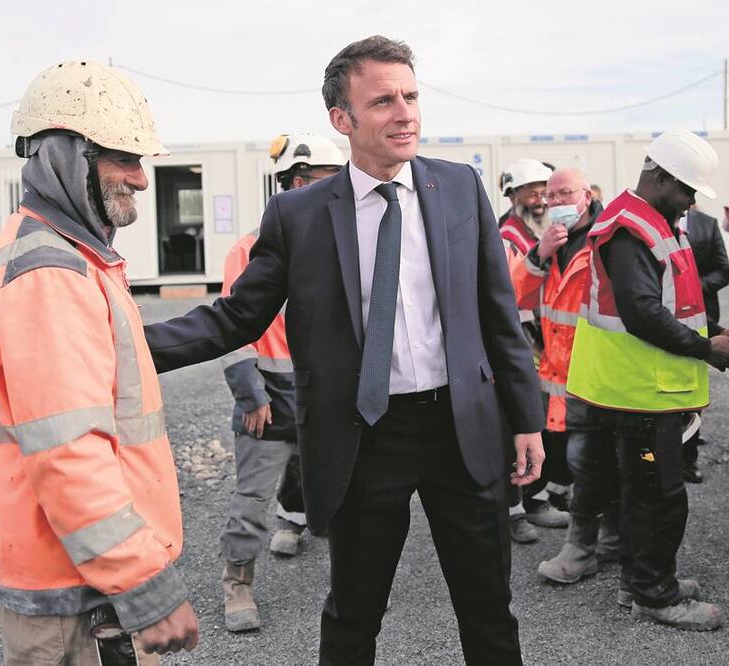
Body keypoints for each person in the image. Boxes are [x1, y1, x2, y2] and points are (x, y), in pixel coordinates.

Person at [145, 35, 545, 665]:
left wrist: (526, 417)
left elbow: (499, 315)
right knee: (354, 616)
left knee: (489, 611)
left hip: (461, 429)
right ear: (342, 119)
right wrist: (123, 345)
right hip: (365, 437)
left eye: (411, 96)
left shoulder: (460, 189)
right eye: (384, 100)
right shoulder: (299, 214)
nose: (405, 112)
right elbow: (237, 316)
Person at [0, 60, 199, 664]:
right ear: (64, 156)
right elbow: (70, 452)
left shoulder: (67, 256)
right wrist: (144, 585)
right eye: (123, 157)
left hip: (80, 577)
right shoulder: (49, 274)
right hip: (79, 597)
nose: (141, 179)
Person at [567, 129, 729, 631]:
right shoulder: (631, 229)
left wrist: (713, 333)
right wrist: (705, 348)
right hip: (640, 389)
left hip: (647, 387)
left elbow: (671, 304)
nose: (691, 201)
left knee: (643, 494)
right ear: (661, 177)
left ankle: (641, 581)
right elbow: (642, 311)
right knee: (659, 498)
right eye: (687, 190)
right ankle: (654, 594)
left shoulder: (650, 220)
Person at [217, 132, 343, 632]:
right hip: (267, 400)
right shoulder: (249, 248)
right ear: (291, 185)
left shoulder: (344, 248)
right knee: (250, 501)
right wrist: (250, 394)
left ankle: (348, 581)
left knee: (340, 496)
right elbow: (231, 329)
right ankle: (237, 586)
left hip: (328, 399)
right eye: (320, 184)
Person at [508, 167, 620, 584]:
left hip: (599, 377)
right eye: (550, 196)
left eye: (563, 194)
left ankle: (588, 546)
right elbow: (514, 293)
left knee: (595, 465)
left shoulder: (607, 239)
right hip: (563, 380)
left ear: (586, 196)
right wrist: (538, 255)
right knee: (588, 464)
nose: (555, 203)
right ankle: (605, 541)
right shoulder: (554, 245)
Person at [498, 158, 571, 541]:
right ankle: (517, 510)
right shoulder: (509, 238)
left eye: (544, 188)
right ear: (512, 195)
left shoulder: (541, 231)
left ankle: (539, 495)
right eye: (530, 189)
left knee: (542, 423)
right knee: (518, 425)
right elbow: (507, 296)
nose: (539, 196)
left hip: (543, 343)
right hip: (520, 345)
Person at [679, 204, 729, 481]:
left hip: (701, 316)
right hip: (664, 316)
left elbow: (724, 271)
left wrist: (695, 286)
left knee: (692, 391)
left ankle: (688, 460)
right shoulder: (652, 224)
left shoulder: (707, 224)